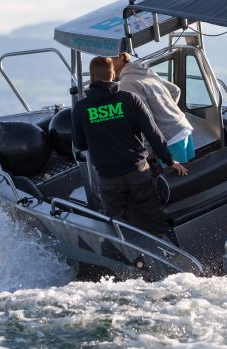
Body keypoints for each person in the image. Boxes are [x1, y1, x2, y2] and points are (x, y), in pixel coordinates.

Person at [71, 56, 188, 237]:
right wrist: (170, 160)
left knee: (117, 225)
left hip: (108, 178)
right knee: (153, 218)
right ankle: (168, 254)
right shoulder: (130, 99)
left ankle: (132, 261)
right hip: (139, 172)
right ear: (112, 76)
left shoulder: (80, 108)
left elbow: (79, 144)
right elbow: (153, 133)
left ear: (92, 77)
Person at [112, 52, 195, 166]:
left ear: (121, 58)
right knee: (187, 173)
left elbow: (145, 117)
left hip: (170, 138)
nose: (105, 62)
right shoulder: (145, 71)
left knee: (175, 179)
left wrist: (148, 148)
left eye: (108, 58)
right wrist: (166, 111)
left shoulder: (127, 83)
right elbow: (175, 90)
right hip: (182, 127)